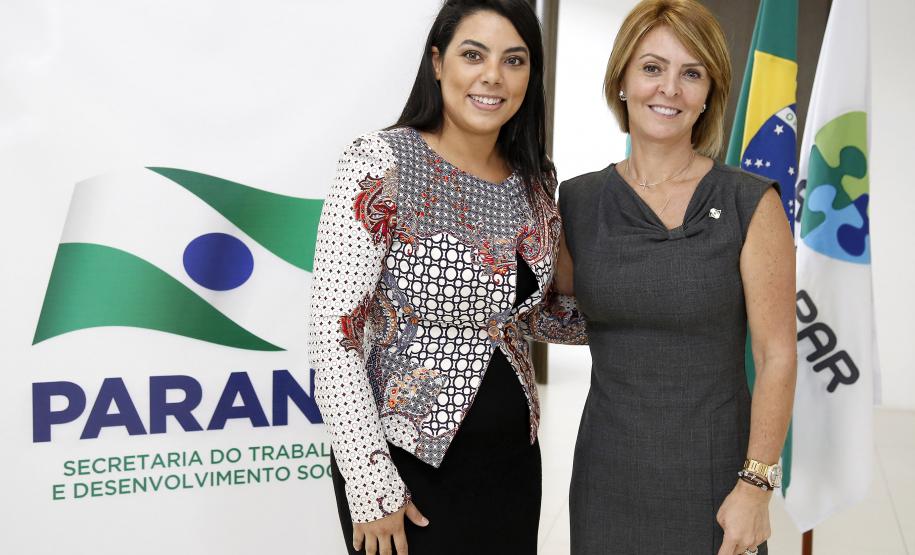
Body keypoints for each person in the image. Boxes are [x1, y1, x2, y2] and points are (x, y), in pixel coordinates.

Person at [307, 1, 586, 554]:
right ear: (438, 63)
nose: (493, 76)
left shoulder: (535, 183)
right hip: (407, 474)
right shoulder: (381, 163)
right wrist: (370, 489)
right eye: (473, 55)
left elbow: (528, 316)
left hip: (512, 465)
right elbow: (332, 335)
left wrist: (644, 312)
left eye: (514, 60)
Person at [557, 1, 797, 554]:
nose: (669, 88)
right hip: (607, 476)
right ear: (621, 80)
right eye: (652, 67)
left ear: (709, 93)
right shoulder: (577, 200)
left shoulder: (749, 204)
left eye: (691, 73)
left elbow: (777, 353)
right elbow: (553, 308)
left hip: (718, 478)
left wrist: (756, 486)